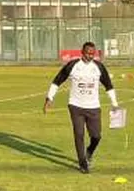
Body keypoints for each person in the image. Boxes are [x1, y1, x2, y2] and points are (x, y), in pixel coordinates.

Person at [44, 42, 119, 174]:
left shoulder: (99, 67)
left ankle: (89, 151)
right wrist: (49, 98)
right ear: (82, 52)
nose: (90, 56)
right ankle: (82, 163)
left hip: (93, 107)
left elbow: (108, 85)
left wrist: (115, 103)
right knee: (79, 134)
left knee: (96, 136)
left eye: (92, 54)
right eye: (88, 53)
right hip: (76, 106)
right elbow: (57, 80)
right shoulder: (73, 66)